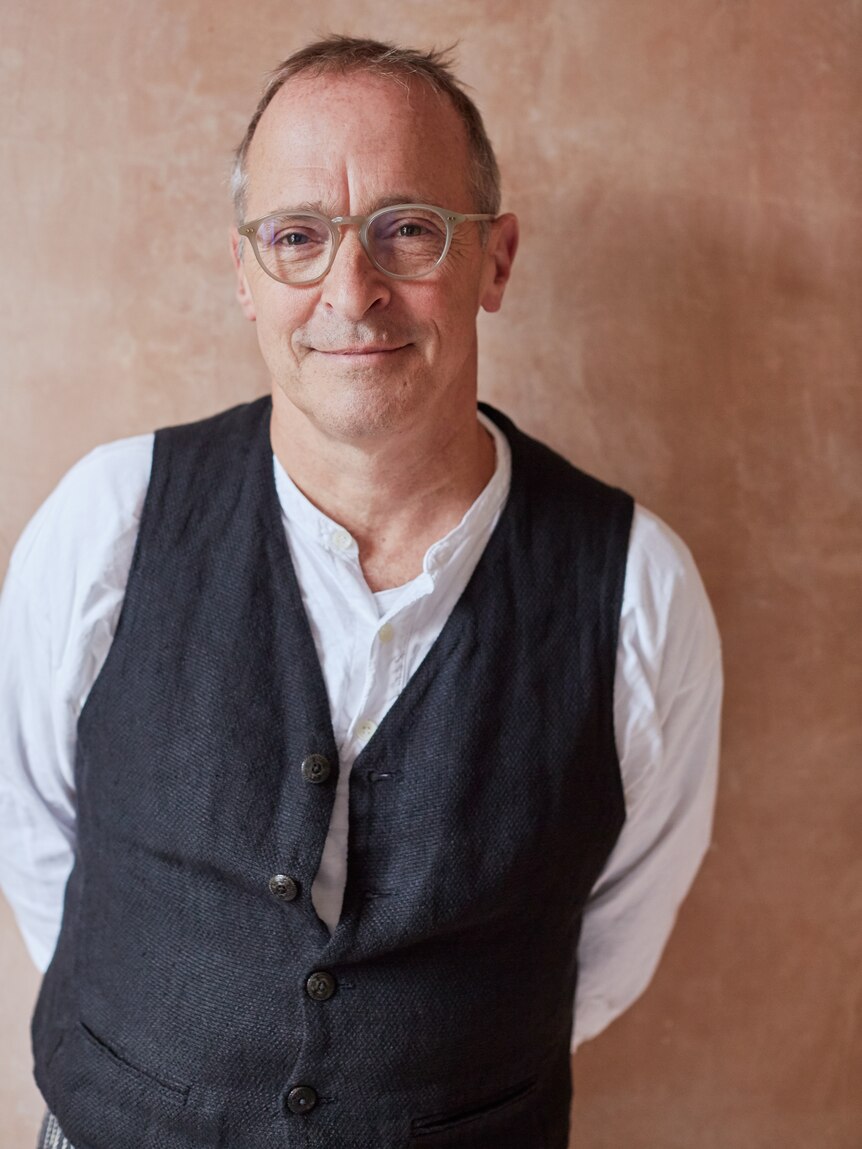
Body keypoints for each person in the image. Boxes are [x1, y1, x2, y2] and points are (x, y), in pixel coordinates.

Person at [0, 35, 722, 1149]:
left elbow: (610, 941)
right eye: (298, 237)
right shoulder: (110, 520)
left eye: (407, 230)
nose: (352, 289)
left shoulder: (637, 588)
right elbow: (38, 837)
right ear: (245, 274)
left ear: (495, 260)